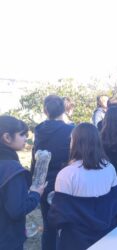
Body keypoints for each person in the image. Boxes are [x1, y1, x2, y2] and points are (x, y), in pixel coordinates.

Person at [48, 123, 117, 250]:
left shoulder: (66, 174)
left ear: (75, 142)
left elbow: (58, 214)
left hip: (75, 240)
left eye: (71, 139)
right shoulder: (109, 167)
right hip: (106, 234)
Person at [31, 95, 74, 250]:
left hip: (44, 181)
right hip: (65, 180)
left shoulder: (39, 129)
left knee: (49, 223)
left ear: (45, 110)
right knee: (66, 222)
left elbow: (35, 156)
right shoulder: (70, 129)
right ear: (64, 109)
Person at [0, 116, 46, 250]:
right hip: (7, 239)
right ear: (7, 137)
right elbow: (17, 210)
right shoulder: (12, 170)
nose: (26, 138)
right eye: (22, 134)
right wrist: (36, 193)